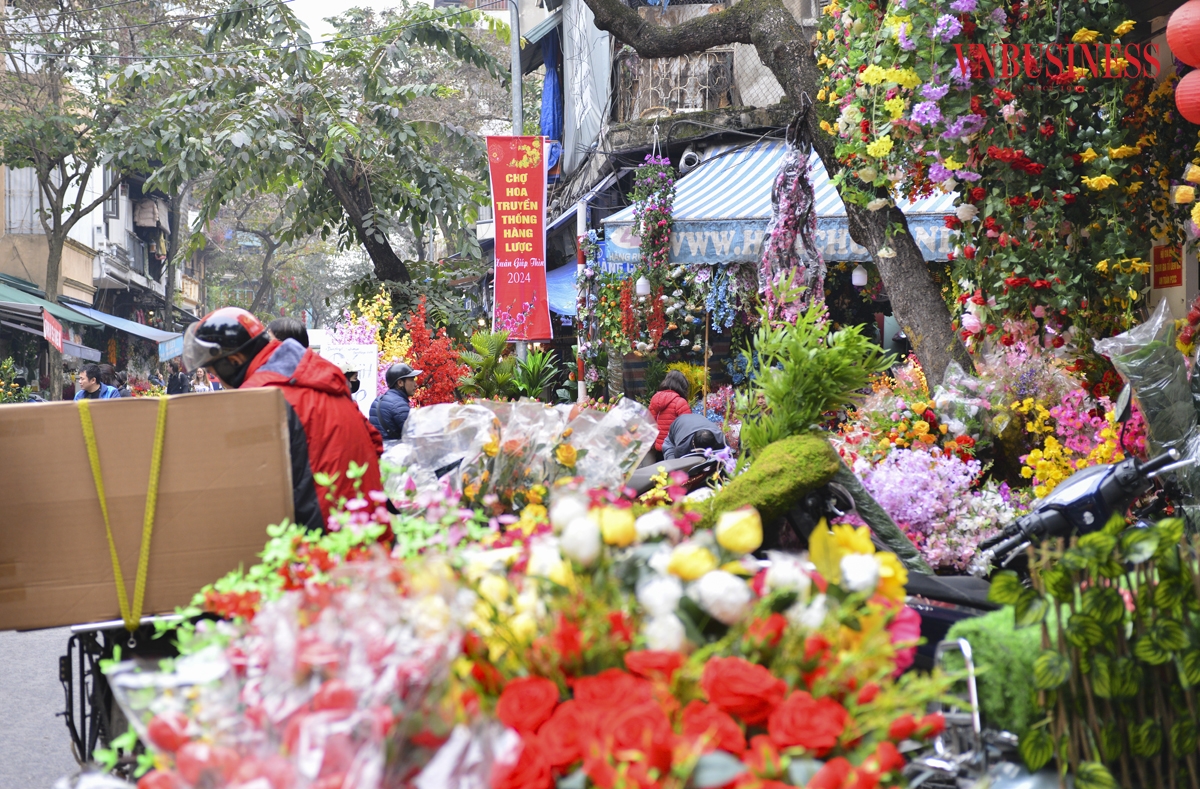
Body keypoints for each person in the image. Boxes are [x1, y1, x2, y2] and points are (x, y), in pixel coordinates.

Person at [183, 307, 382, 528]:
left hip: (325, 545)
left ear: (235, 360)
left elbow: (246, 487)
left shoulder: (261, 397)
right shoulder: (316, 374)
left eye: (215, 371)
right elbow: (374, 441)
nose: (218, 379)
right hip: (369, 527)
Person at [647, 371, 692, 463]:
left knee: (660, 474)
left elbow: (649, 422)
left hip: (658, 448)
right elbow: (688, 427)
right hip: (674, 449)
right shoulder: (680, 402)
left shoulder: (654, 399)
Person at [370, 363, 421, 441]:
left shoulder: (378, 400)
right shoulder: (399, 404)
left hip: (380, 449)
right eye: (411, 380)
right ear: (400, 383)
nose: (415, 384)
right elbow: (414, 434)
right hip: (393, 450)